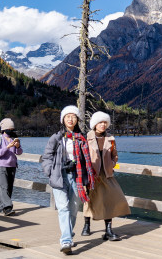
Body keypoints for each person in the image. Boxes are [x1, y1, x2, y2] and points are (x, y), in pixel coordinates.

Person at [41, 106, 96, 255]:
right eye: (67, 116)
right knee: (63, 207)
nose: (70, 119)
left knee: (72, 209)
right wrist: (50, 172)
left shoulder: (82, 138)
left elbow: (89, 158)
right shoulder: (57, 137)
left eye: (73, 116)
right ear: (63, 119)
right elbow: (46, 157)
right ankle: (65, 241)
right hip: (59, 176)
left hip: (76, 177)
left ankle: (69, 234)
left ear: (77, 119)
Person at [81, 111, 130, 241]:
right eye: (100, 122)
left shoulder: (111, 139)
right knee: (90, 199)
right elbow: (82, 156)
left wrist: (113, 163)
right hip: (92, 174)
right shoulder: (87, 137)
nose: (103, 125)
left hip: (107, 174)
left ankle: (108, 230)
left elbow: (115, 154)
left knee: (111, 198)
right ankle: (87, 225)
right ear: (95, 124)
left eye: (105, 122)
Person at [0, 118, 22, 216]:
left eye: (13, 129)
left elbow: (20, 152)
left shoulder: (13, 139)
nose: (12, 131)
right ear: (4, 129)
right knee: (4, 187)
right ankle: (8, 208)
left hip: (12, 165)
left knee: (9, 188)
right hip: (1, 165)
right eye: (10, 129)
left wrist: (17, 146)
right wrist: (7, 147)